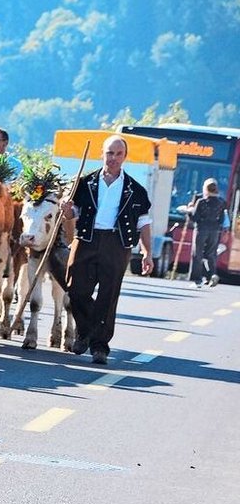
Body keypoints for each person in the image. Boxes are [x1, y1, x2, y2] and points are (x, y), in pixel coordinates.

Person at [66, 134, 154, 364]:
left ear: (125, 156)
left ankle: (99, 347)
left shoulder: (136, 189)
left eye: (118, 154)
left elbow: (143, 223)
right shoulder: (84, 182)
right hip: (86, 239)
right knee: (75, 290)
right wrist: (66, 209)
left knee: (108, 294)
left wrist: (147, 253)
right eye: (109, 153)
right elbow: (73, 213)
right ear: (101, 154)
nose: (113, 158)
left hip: (117, 244)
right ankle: (85, 331)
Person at [179, 178, 228, 287]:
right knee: (211, 254)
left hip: (201, 230)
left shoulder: (201, 202)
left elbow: (195, 217)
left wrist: (188, 210)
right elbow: (221, 220)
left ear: (205, 188)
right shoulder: (221, 202)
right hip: (215, 231)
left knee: (197, 254)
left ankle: (197, 279)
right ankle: (212, 275)